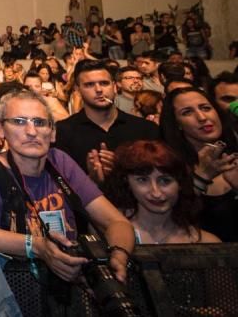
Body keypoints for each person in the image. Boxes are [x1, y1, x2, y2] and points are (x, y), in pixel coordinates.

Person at [0, 89, 134, 293]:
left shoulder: (60, 162)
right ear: (0, 129)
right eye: (19, 121)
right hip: (10, 290)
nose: (32, 131)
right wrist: (36, 247)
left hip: (69, 291)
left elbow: (118, 222)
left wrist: (118, 255)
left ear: (52, 132)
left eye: (40, 122)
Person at [55, 60, 159, 183]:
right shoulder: (63, 131)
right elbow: (59, 182)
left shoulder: (145, 129)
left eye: (104, 83)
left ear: (115, 87)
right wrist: (90, 180)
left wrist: (122, 167)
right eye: (89, 85)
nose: (99, 89)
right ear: (78, 90)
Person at [159, 87, 238, 241]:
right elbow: (167, 219)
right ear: (177, 124)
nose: (202, 117)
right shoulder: (168, 166)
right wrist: (202, 177)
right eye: (187, 112)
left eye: (206, 108)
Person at [104, 140, 220, 244]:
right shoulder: (108, 232)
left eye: (165, 181)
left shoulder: (205, 242)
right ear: (127, 182)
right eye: (143, 180)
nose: (156, 193)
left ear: (180, 183)